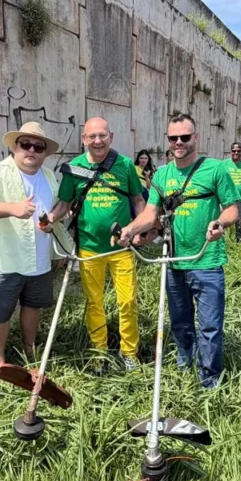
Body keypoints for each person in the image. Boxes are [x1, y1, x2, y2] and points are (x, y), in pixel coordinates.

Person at [117, 114, 239, 388]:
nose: (179, 142)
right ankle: (185, 369)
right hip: (173, 261)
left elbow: (232, 208)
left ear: (196, 137)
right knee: (180, 323)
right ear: (168, 141)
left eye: (185, 137)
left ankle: (209, 381)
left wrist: (220, 223)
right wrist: (131, 230)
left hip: (206, 260)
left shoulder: (215, 169)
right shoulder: (161, 175)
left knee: (209, 326)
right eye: (174, 138)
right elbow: (150, 214)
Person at [47, 118, 145, 371]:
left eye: (102, 135)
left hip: (121, 248)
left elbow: (137, 200)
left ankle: (129, 352)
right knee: (94, 302)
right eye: (92, 137)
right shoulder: (74, 168)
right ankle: (98, 351)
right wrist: (50, 219)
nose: (97, 141)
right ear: (84, 139)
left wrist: (140, 228)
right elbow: (64, 204)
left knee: (128, 301)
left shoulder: (125, 165)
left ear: (111, 136)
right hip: (89, 249)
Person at [0, 121, 63, 378]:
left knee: (33, 306)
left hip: (39, 257)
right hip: (4, 257)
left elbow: (56, 209)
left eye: (38, 146)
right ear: (15, 147)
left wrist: (52, 221)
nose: (31, 150)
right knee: (0, 312)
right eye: (26, 144)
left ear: (44, 152)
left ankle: (29, 352)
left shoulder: (49, 176)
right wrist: (13, 208)